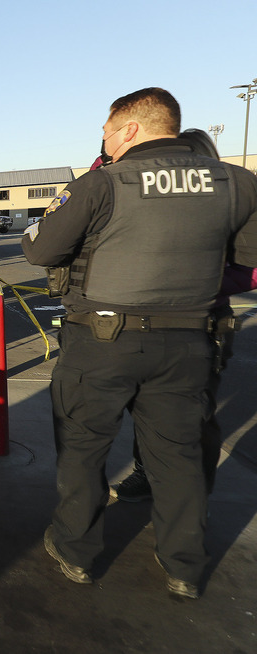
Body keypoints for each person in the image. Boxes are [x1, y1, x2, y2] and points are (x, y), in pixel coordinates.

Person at [22, 88, 257, 599]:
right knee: (178, 456)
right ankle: (184, 566)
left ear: (130, 128)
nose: (103, 139)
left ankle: (76, 550)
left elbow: (41, 249)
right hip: (191, 343)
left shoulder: (102, 183)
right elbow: (246, 263)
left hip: (101, 342)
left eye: (106, 129)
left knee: (83, 450)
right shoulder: (238, 184)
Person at [111, 128, 257, 502]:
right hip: (147, 323)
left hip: (201, 323)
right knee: (146, 411)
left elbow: (250, 268)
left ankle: (192, 501)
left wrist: (195, 280)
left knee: (196, 422)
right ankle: (147, 473)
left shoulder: (228, 200)